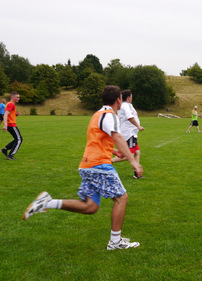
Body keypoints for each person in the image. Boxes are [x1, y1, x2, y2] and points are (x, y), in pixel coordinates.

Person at [22, 86, 143, 250]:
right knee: (122, 198)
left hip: (87, 165)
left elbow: (98, 139)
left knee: (90, 207)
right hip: (99, 165)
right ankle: (115, 242)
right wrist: (132, 160)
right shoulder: (110, 115)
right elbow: (117, 136)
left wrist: (112, 150)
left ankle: (47, 203)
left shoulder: (97, 115)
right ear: (118, 100)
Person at [111, 90, 144, 178]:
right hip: (129, 133)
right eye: (131, 97)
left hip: (131, 133)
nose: (132, 99)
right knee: (130, 155)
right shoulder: (125, 106)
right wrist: (138, 126)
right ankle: (108, 162)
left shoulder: (127, 105)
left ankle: (137, 174)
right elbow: (129, 117)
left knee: (137, 152)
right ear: (128, 98)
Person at [2, 92, 22, 160]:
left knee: (17, 139)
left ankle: (5, 149)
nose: (18, 99)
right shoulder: (11, 104)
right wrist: (5, 125)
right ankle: (10, 155)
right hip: (11, 124)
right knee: (19, 139)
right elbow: (5, 114)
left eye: (19, 97)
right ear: (12, 97)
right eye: (17, 97)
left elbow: (10, 114)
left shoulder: (10, 104)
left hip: (10, 124)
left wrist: (16, 115)